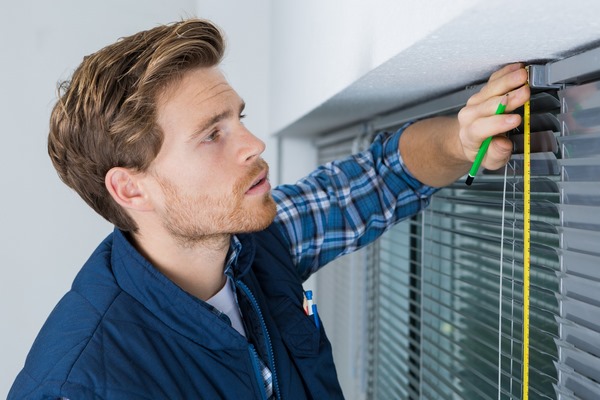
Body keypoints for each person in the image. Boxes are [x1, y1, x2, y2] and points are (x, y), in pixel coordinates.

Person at [8, 18, 529, 400]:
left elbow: (386, 174)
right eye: (213, 134)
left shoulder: (253, 242)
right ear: (130, 190)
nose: (254, 143)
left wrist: (462, 140)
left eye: (240, 118)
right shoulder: (77, 385)